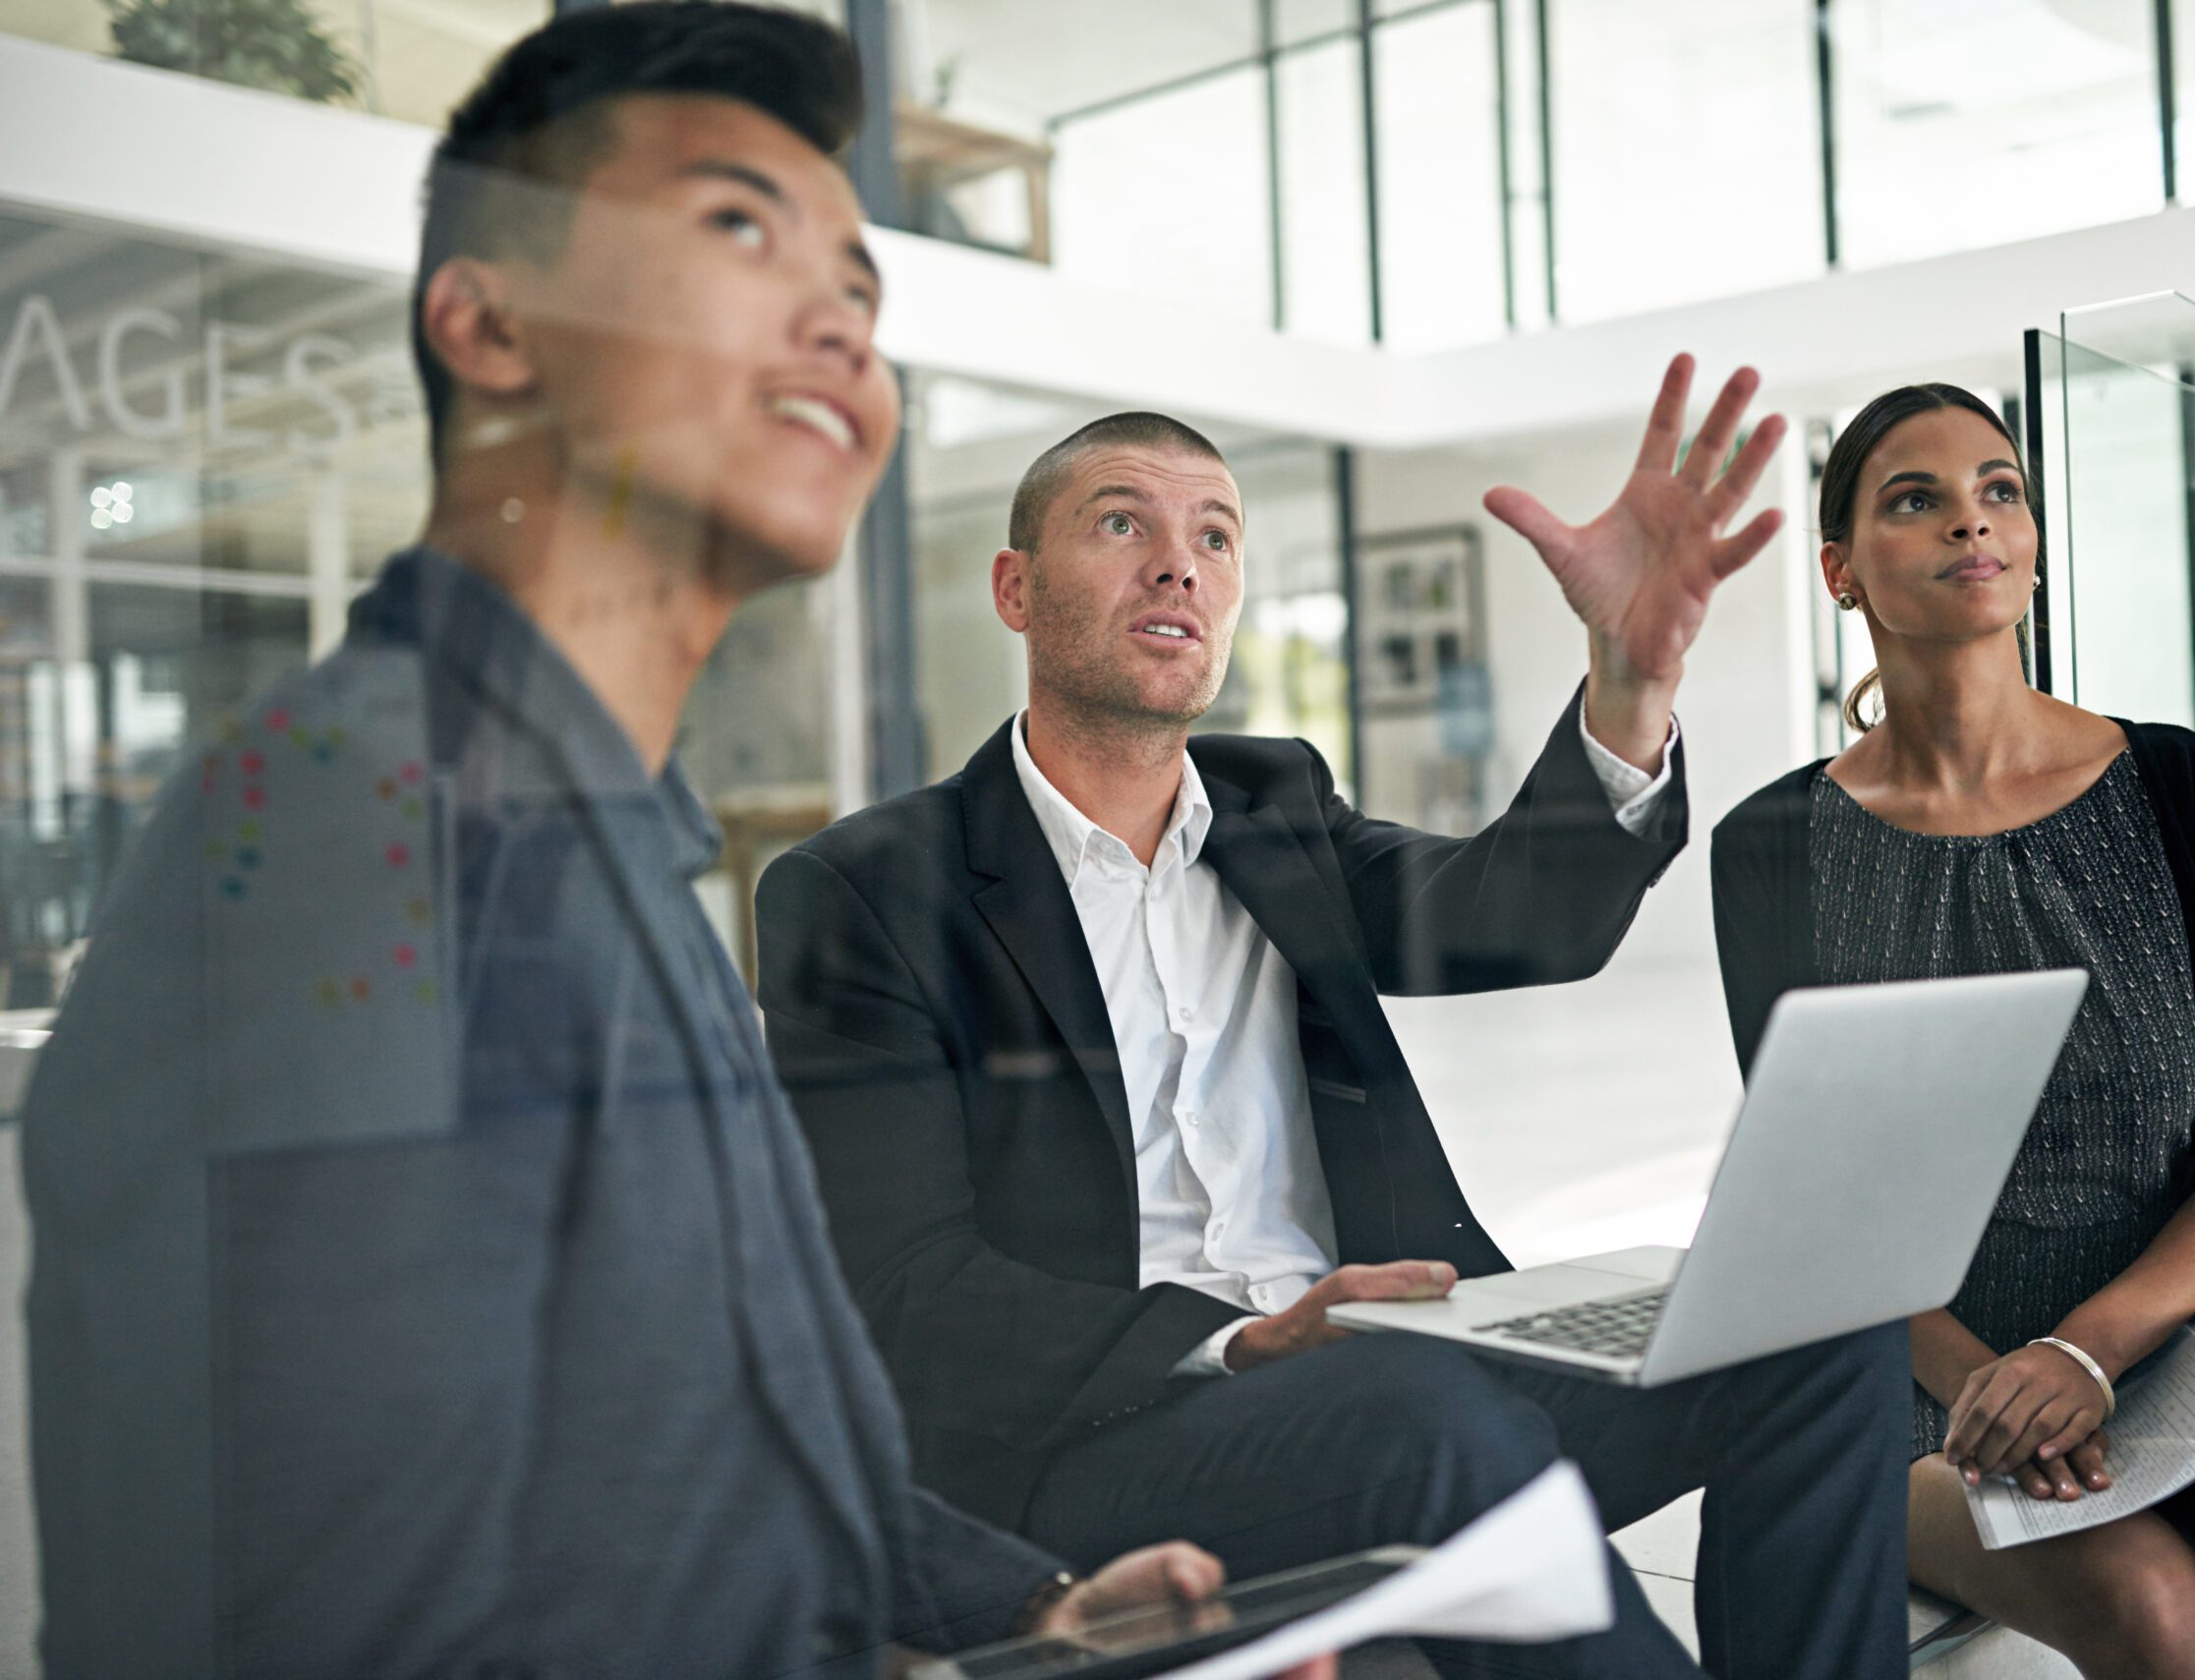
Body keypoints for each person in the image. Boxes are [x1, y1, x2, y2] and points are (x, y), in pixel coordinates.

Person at [18, 8, 1330, 1676]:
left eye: (859, 287)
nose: (843, 326)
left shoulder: (609, 846)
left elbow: (722, 1414)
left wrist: (1020, 1615)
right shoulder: (360, 840)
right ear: (490, 326)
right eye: (736, 228)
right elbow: (316, 1622)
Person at [755, 365, 1915, 1680]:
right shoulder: (869, 889)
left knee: (1818, 1323)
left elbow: (1516, 912)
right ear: (1018, 591)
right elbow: (903, 1290)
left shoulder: (1274, 804)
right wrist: (1246, 1336)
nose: (1178, 566)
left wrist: (1626, 684)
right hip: (1101, 1439)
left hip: (1404, 1358)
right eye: (1122, 522)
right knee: (1410, 1404)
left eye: (1215, 536)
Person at [1708, 383, 2195, 1680]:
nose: (1972, 521)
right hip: (1902, 1383)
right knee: (2149, 1602)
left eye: (1999, 489)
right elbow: (1825, 1208)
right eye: (1917, 498)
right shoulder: (1772, 848)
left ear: (2034, 541)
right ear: (1840, 571)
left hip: (2162, 1334)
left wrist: (2084, 1349)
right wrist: (1993, 1383)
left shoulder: (2193, 794)